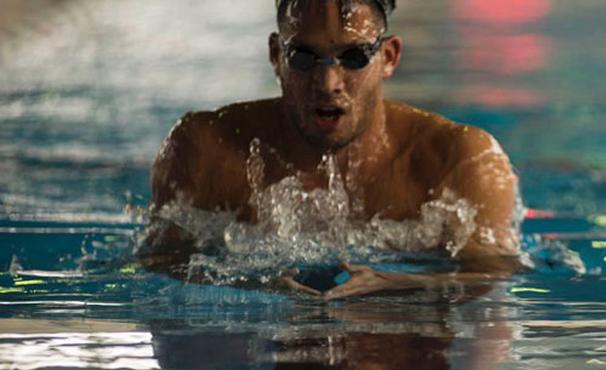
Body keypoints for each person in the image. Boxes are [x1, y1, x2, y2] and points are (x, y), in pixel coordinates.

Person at [140, 0, 523, 299]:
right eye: (303, 57)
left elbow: (496, 278)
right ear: (277, 56)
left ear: (388, 57)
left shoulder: (459, 160)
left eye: (354, 57)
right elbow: (158, 267)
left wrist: (392, 284)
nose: (327, 82)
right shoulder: (202, 150)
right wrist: (254, 286)